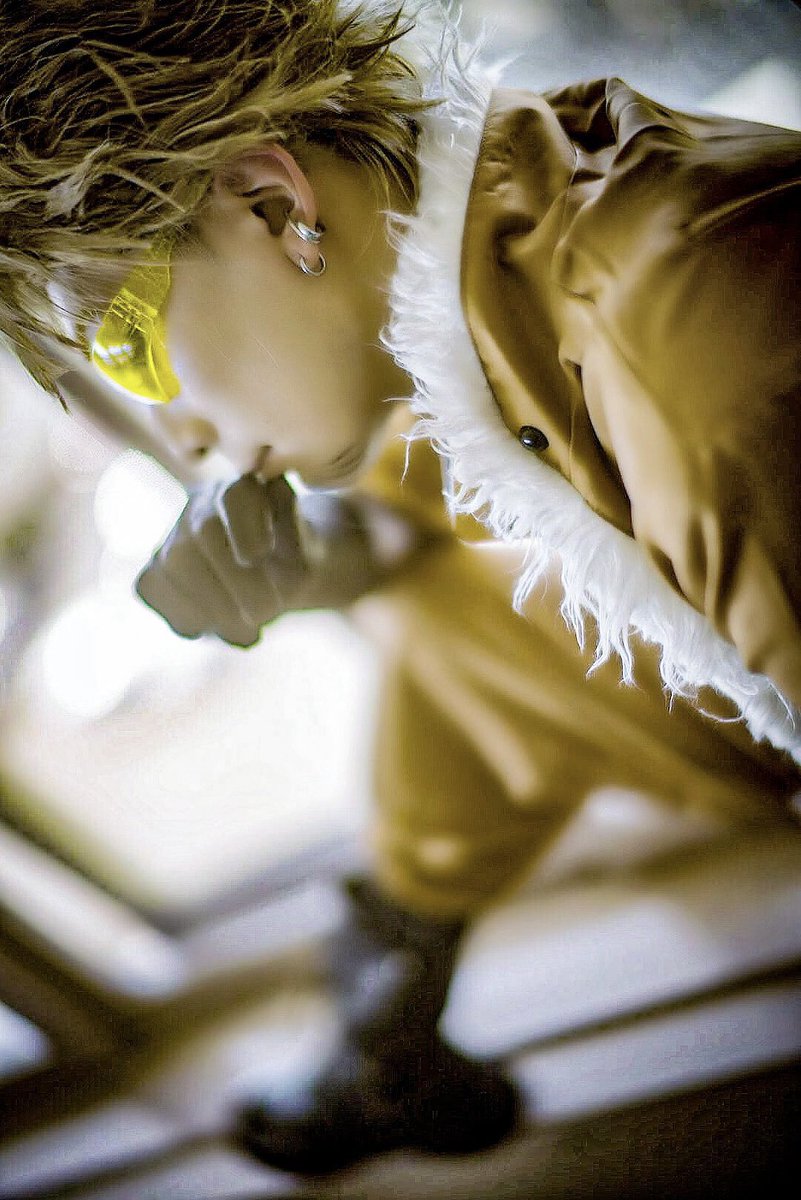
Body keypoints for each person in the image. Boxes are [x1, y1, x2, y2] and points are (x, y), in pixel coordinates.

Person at [1, 0, 800, 1176]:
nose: (180, 432)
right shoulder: (473, 253)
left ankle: (389, 1000)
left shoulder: (703, 343)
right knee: (434, 595)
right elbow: (416, 528)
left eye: (129, 350)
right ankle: (392, 1005)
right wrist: (295, 575)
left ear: (273, 204)